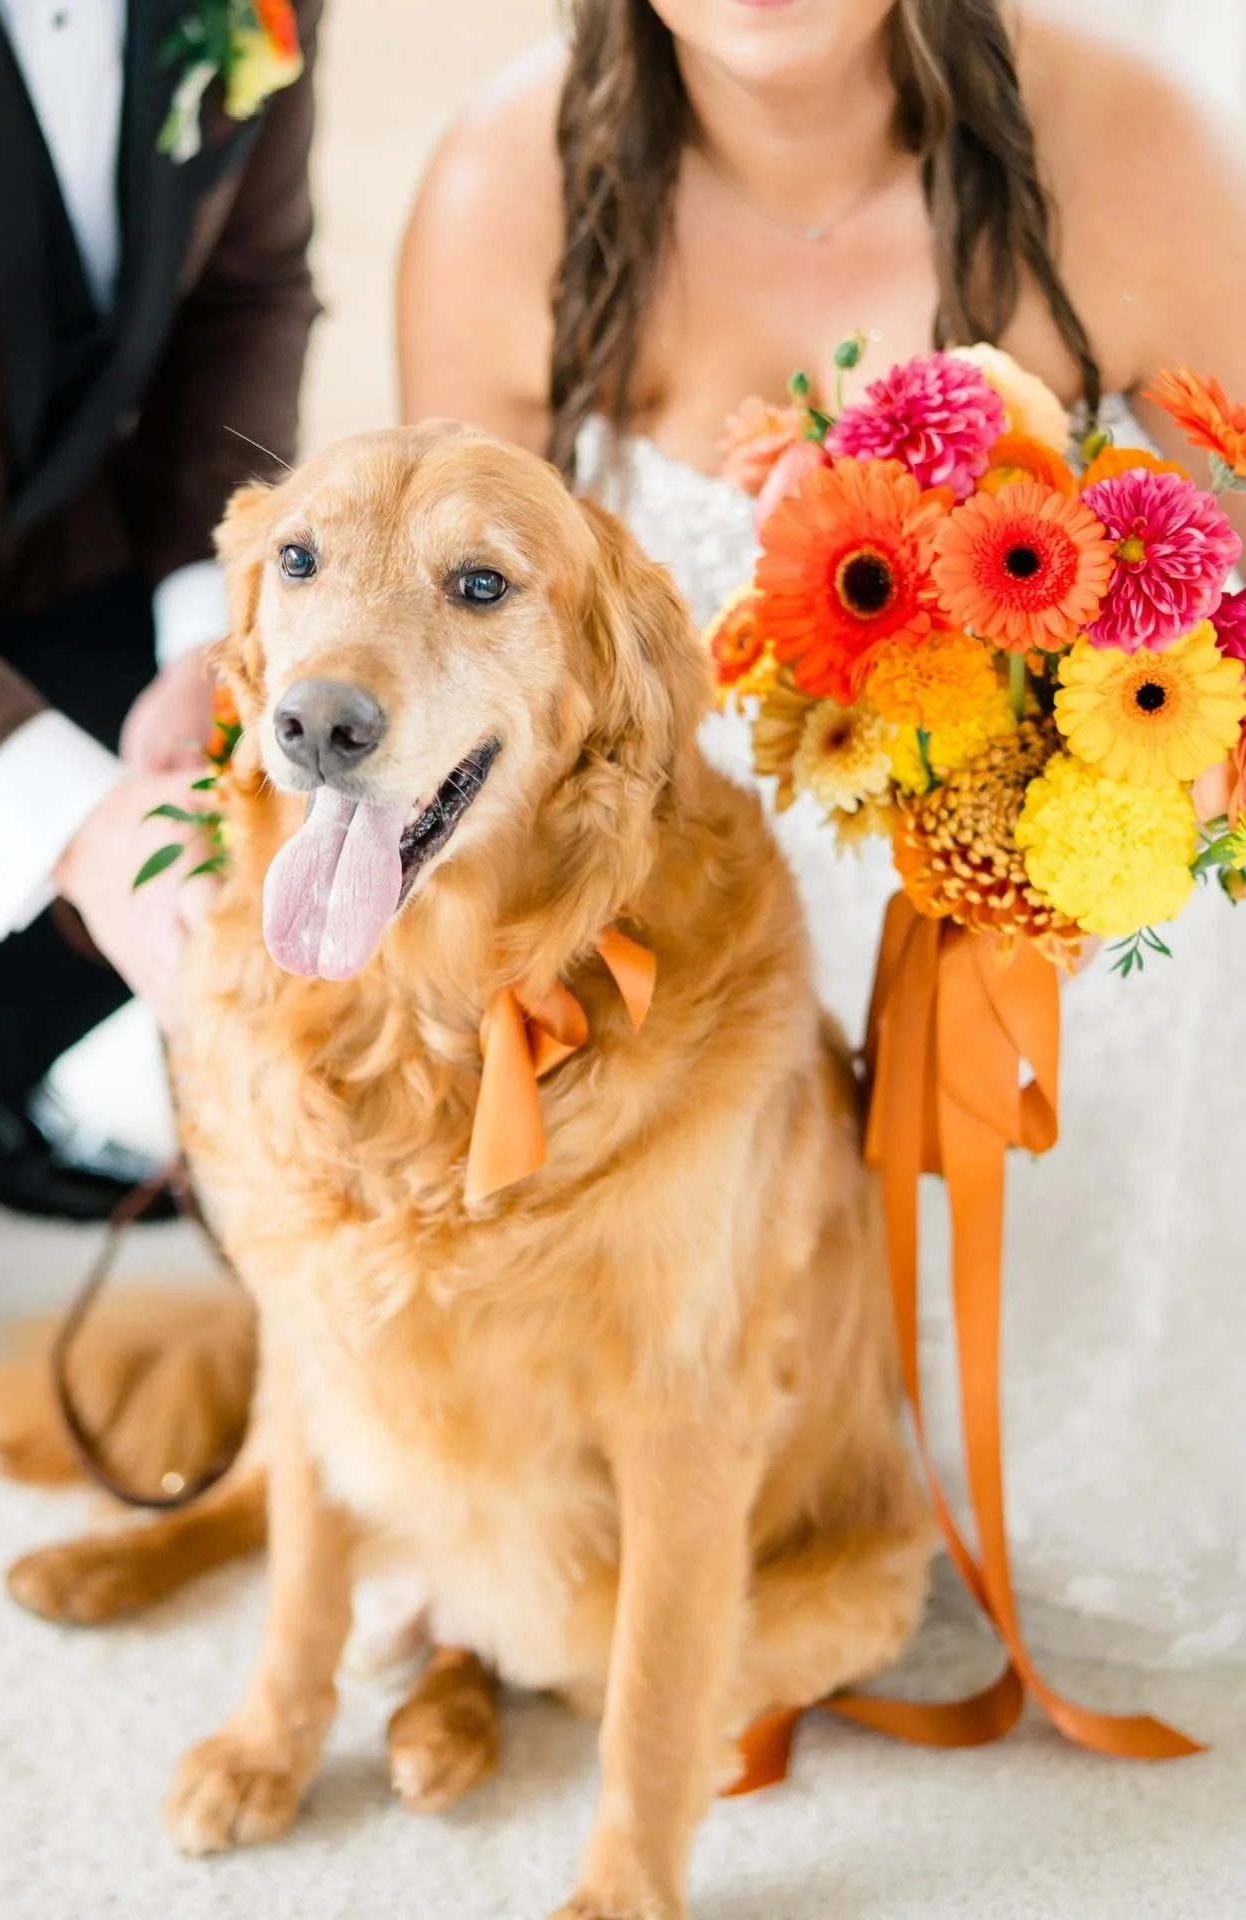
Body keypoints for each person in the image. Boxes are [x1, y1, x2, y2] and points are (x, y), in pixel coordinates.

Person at [397, 0, 1246, 1669]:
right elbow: (461, 678)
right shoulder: (508, 187)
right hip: (698, 947)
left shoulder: (1132, 140)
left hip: (1060, 918)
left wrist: (1090, 783)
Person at [0, 0, 322, 1311]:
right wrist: (85, 832)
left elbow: (245, 298)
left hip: (49, 542)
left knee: (332, 722)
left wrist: (216, 637)